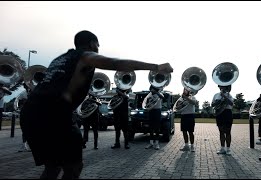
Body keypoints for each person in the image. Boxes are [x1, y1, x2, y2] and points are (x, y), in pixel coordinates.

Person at [20, 30, 173, 179]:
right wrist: (156, 67)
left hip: (31, 113)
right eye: (98, 45)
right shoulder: (85, 55)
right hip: (53, 114)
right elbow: (116, 63)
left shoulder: (60, 59)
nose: (98, 49)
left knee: (53, 166)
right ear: (92, 44)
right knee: (74, 166)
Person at [211, 85, 234, 155]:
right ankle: (222, 148)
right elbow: (212, 104)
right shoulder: (216, 95)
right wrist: (218, 101)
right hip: (219, 113)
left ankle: (228, 149)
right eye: (220, 87)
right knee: (221, 131)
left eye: (223, 87)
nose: (221, 88)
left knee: (228, 131)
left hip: (227, 113)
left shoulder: (229, 95)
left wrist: (224, 96)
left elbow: (231, 104)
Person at [144, 85, 165, 150]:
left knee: (157, 128)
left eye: (152, 89)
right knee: (151, 128)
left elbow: (163, 97)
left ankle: (157, 143)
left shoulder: (159, 94)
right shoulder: (149, 95)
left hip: (157, 111)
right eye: (151, 89)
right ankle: (151, 143)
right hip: (151, 111)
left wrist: (156, 92)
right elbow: (146, 103)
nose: (151, 90)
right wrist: (146, 107)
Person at [179, 88, 197, 152]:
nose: (184, 91)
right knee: (184, 131)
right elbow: (178, 106)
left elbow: (194, 103)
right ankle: (186, 145)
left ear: (189, 91)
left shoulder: (192, 97)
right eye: (184, 90)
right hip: (183, 115)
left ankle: (192, 146)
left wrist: (186, 98)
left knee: (190, 132)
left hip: (190, 115)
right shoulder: (181, 98)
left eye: (186, 90)